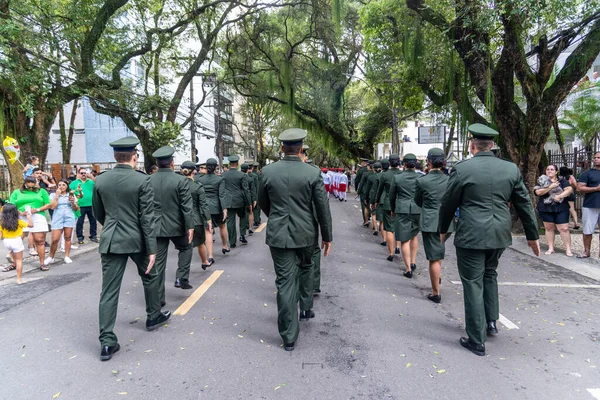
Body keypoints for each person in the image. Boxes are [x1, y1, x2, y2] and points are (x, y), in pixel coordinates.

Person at [439, 123, 540, 357]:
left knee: (473, 281)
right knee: (489, 273)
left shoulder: (462, 169)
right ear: (492, 146)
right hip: (500, 233)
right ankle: (491, 322)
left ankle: (476, 339)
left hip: (472, 233)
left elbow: (448, 203)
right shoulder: (510, 169)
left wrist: (443, 230)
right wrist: (532, 235)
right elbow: (524, 203)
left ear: (472, 146)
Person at [93, 136, 170, 361]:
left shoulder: (101, 180)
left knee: (109, 290)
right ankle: (153, 315)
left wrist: (111, 227)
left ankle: (106, 342)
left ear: (115, 156)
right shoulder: (142, 180)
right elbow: (147, 218)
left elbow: (99, 213)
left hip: (111, 239)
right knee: (150, 275)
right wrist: (153, 248)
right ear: (134, 156)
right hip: (137, 239)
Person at [258, 128, 332, 351]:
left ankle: (289, 336)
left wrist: (277, 217)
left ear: (282, 148)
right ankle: (306, 307)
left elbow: (262, 202)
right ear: (301, 148)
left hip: (278, 233)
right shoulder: (312, 173)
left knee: (284, 281)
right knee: (306, 268)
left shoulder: (267, 172)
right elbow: (322, 207)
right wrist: (327, 236)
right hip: (306, 233)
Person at [150, 146, 195, 304]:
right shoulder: (181, 180)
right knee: (186, 247)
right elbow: (186, 206)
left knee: (158, 263)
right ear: (172, 163)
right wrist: (190, 226)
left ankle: (158, 299)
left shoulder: (148, 180)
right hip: (177, 225)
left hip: (156, 227)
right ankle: (181, 277)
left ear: (157, 162)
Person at [414, 148, 453, 303]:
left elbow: (418, 201)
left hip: (430, 221)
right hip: (447, 222)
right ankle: (437, 277)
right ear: (444, 162)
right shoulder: (450, 180)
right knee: (438, 251)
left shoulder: (422, 181)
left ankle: (436, 292)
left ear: (428, 162)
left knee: (434, 258)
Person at [389, 154, 421, 278]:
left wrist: (393, 209)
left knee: (404, 239)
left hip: (402, 209)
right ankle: (413, 262)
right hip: (417, 209)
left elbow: (392, 196)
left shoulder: (398, 178)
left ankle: (408, 269)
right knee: (414, 235)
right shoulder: (420, 177)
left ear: (404, 164)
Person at [9, 176, 52, 269]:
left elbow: (48, 204)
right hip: (22, 217)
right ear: (25, 183)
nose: (31, 185)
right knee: (16, 241)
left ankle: (42, 263)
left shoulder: (42, 191)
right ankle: (14, 263)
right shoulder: (17, 192)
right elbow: (11, 204)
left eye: (33, 183)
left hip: (38, 216)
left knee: (40, 240)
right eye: (29, 183)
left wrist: (37, 209)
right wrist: (20, 212)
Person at [534, 165, 573, 256]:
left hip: (561, 207)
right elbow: (538, 192)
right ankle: (551, 248)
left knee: (564, 228)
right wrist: (550, 187)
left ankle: (568, 249)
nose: (549, 171)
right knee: (549, 228)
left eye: (552, 169)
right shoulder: (541, 181)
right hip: (546, 208)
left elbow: (569, 190)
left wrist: (559, 196)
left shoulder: (562, 181)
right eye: (547, 169)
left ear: (556, 172)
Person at [181, 161, 213, 270]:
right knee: (200, 243)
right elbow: (203, 205)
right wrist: (208, 219)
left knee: (184, 247)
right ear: (194, 171)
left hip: (182, 220)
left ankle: (183, 270)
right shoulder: (197, 187)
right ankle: (204, 261)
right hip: (196, 220)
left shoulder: (178, 185)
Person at [199, 158, 230, 258]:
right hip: (217, 207)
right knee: (222, 226)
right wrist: (224, 209)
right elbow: (221, 195)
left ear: (206, 167)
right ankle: (225, 246)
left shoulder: (200, 180)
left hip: (205, 208)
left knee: (208, 231)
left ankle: (210, 256)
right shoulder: (220, 179)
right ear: (216, 167)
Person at [45, 180, 79, 265]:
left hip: (69, 217)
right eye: (59, 185)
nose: (61, 186)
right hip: (57, 217)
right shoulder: (53, 195)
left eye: (63, 185)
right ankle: (51, 257)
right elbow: (52, 207)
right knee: (55, 239)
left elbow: (75, 209)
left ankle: (67, 256)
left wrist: (73, 202)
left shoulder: (71, 195)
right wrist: (57, 195)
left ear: (67, 186)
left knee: (68, 237)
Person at [375, 155, 402, 259]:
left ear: (390, 163)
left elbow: (380, 190)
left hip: (387, 203)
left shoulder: (385, 175)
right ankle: (398, 246)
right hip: (400, 203)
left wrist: (376, 201)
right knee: (398, 227)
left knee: (389, 228)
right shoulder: (402, 174)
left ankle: (391, 253)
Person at [222, 155, 251, 248]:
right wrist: (249, 202)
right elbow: (246, 189)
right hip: (240, 200)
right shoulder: (242, 175)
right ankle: (242, 235)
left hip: (228, 201)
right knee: (242, 217)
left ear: (229, 164)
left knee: (230, 221)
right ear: (237, 164)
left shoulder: (223, 175)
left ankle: (232, 241)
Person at [0, 204, 33, 284]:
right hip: (17, 241)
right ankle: (18, 279)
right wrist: (29, 217)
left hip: (7, 242)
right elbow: (31, 225)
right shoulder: (19, 222)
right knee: (19, 261)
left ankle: (11, 255)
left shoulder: (2, 222)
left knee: (15, 256)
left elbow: (1, 235)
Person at [576, 152, 600, 258]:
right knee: (587, 230)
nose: (595, 159)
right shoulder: (587, 173)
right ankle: (586, 251)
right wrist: (596, 189)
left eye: (598, 157)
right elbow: (579, 188)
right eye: (594, 157)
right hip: (590, 205)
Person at [70, 167, 98, 245]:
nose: (83, 174)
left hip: (91, 204)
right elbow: (70, 192)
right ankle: (80, 237)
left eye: (84, 173)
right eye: (81, 173)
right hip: (80, 205)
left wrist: (92, 177)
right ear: (78, 174)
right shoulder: (74, 183)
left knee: (93, 221)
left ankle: (93, 235)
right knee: (80, 222)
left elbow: (98, 186)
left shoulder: (91, 182)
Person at [251, 162, 262, 227]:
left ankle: (248, 223)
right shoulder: (259, 175)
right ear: (257, 167)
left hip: (251, 193)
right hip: (258, 192)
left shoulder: (250, 175)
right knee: (257, 208)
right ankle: (257, 220)